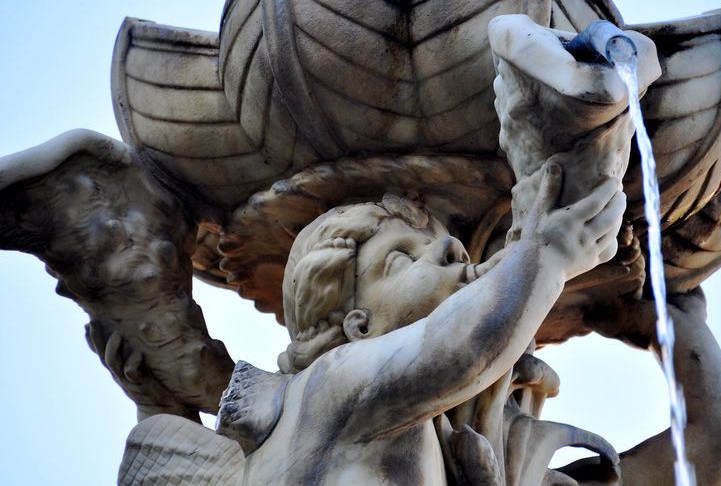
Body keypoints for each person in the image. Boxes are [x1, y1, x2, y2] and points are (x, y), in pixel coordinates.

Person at [120, 162, 625, 485]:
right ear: (359, 326)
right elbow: (456, 349)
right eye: (402, 259)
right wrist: (550, 256)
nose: (451, 249)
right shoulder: (334, 379)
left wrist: (682, 321)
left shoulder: (425, 424)